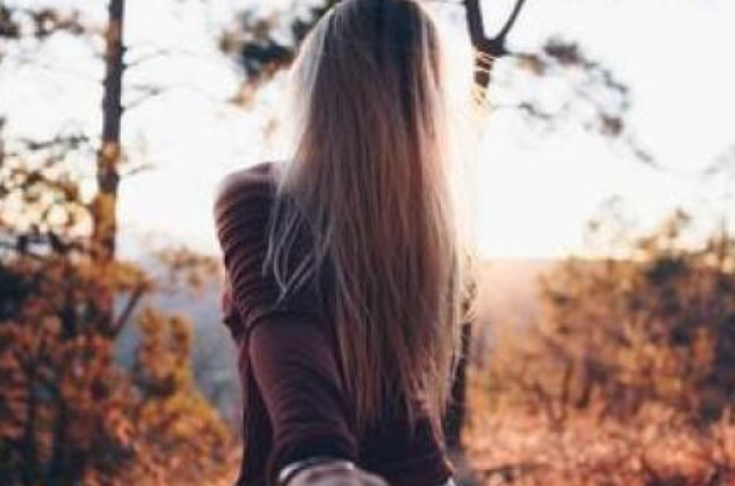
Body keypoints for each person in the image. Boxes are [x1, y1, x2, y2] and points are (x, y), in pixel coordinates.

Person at [214, 0, 476, 485]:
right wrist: (317, 458)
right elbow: (286, 326)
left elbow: (402, 397)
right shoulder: (264, 200)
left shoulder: (410, 227)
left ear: (316, 90)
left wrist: (319, 462)